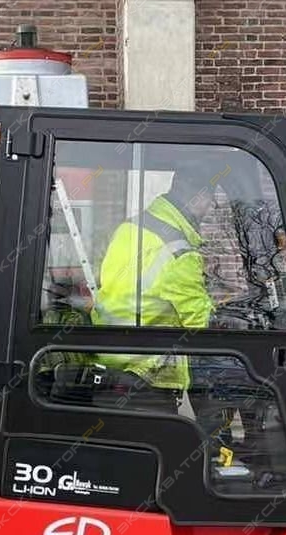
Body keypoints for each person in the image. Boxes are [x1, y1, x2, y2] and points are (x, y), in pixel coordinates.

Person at [88, 160, 219, 413]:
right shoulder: (179, 252)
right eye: (210, 202)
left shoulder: (128, 229)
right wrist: (225, 320)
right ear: (199, 198)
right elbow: (200, 324)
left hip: (107, 359)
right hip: (147, 373)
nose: (208, 210)